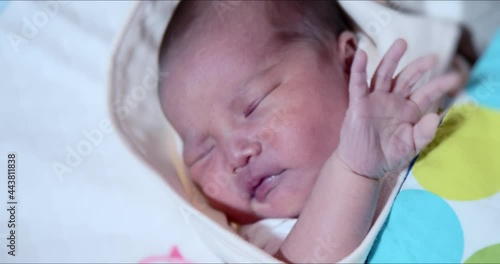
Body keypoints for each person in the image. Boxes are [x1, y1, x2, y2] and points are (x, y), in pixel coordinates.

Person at [157, 1, 463, 262]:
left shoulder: (420, 97)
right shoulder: (261, 241)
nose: (236, 156)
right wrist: (355, 170)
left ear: (346, 61)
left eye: (254, 104)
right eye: (204, 152)